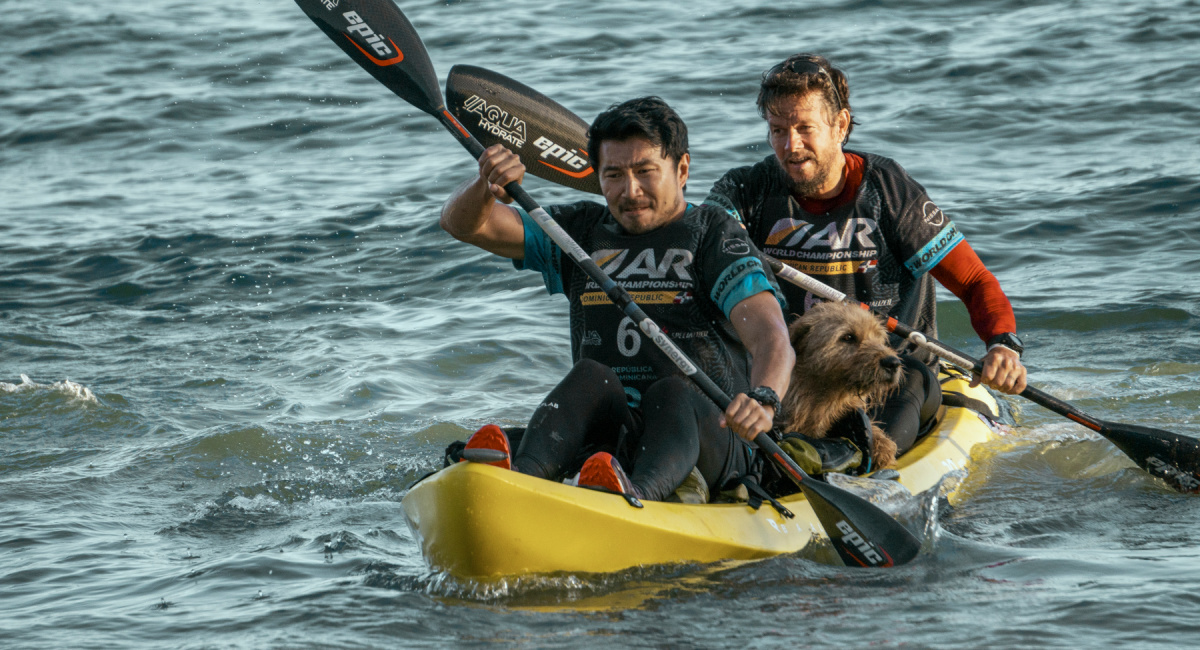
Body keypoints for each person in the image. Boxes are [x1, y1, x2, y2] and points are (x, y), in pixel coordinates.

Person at [440, 97, 794, 501]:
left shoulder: (714, 235)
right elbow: (464, 225)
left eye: (645, 172)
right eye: (614, 175)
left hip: (713, 440)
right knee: (591, 376)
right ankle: (522, 482)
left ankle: (637, 497)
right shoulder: (579, 232)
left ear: (681, 170)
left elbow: (771, 337)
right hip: (614, 440)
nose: (631, 191)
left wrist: (764, 399)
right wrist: (484, 188)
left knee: (672, 390)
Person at [704, 54, 1028, 458]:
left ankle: (849, 457)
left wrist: (1003, 346)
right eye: (778, 130)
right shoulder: (746, 189)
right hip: (790, 372)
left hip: (891, 373)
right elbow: (693, 243)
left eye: (805, 129)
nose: (791, 146)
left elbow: (974, 280)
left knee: (908, 379)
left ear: (840, 125)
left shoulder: (889, 191)